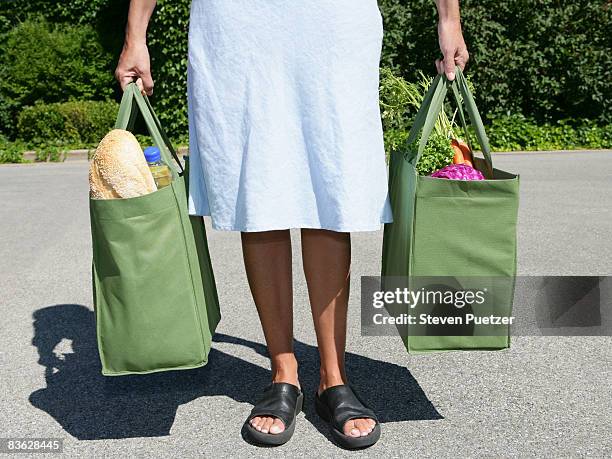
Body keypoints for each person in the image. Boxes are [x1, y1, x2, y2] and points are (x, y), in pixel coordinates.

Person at [116, 0, 468, 449]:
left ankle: (333, 378)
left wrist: (448, 19)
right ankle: (284, 372)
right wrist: (135, 34)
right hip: (237, 24)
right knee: (257, 191)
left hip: (332, 21)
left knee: (330, 189)